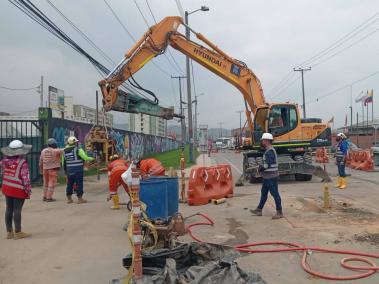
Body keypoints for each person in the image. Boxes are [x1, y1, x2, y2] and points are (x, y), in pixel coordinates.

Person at [1, 140, 32, 239]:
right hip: (18, 189)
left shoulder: (3, 161)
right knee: (17, 209)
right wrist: (28, 190)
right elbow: (25, 178)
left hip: (6, 187)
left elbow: (2, 174)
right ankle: (18, 232)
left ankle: (9, 232)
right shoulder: (23, 163)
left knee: (9, 209)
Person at [250, 133, 283, 219]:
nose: (261, 141)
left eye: (263, 140)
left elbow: (266, 165)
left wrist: (259, 169)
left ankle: (279, 212)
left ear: (267, 141)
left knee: (275, 194)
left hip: (271, 177)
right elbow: (266, 163)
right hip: (267, 177)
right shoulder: (268, 150)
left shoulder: (270, 151)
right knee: (264, 193)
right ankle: (259, 209)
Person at [62, 136, 94, 204]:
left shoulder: (64, 151)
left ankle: (69, 199)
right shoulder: (78, 150)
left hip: (69, 170)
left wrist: (65, 171)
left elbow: (63, 162)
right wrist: (92, 158)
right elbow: (85, 158)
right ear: (75, 143)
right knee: (79, 184)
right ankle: (80, 199)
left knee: (69, 184)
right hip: (78, 170)